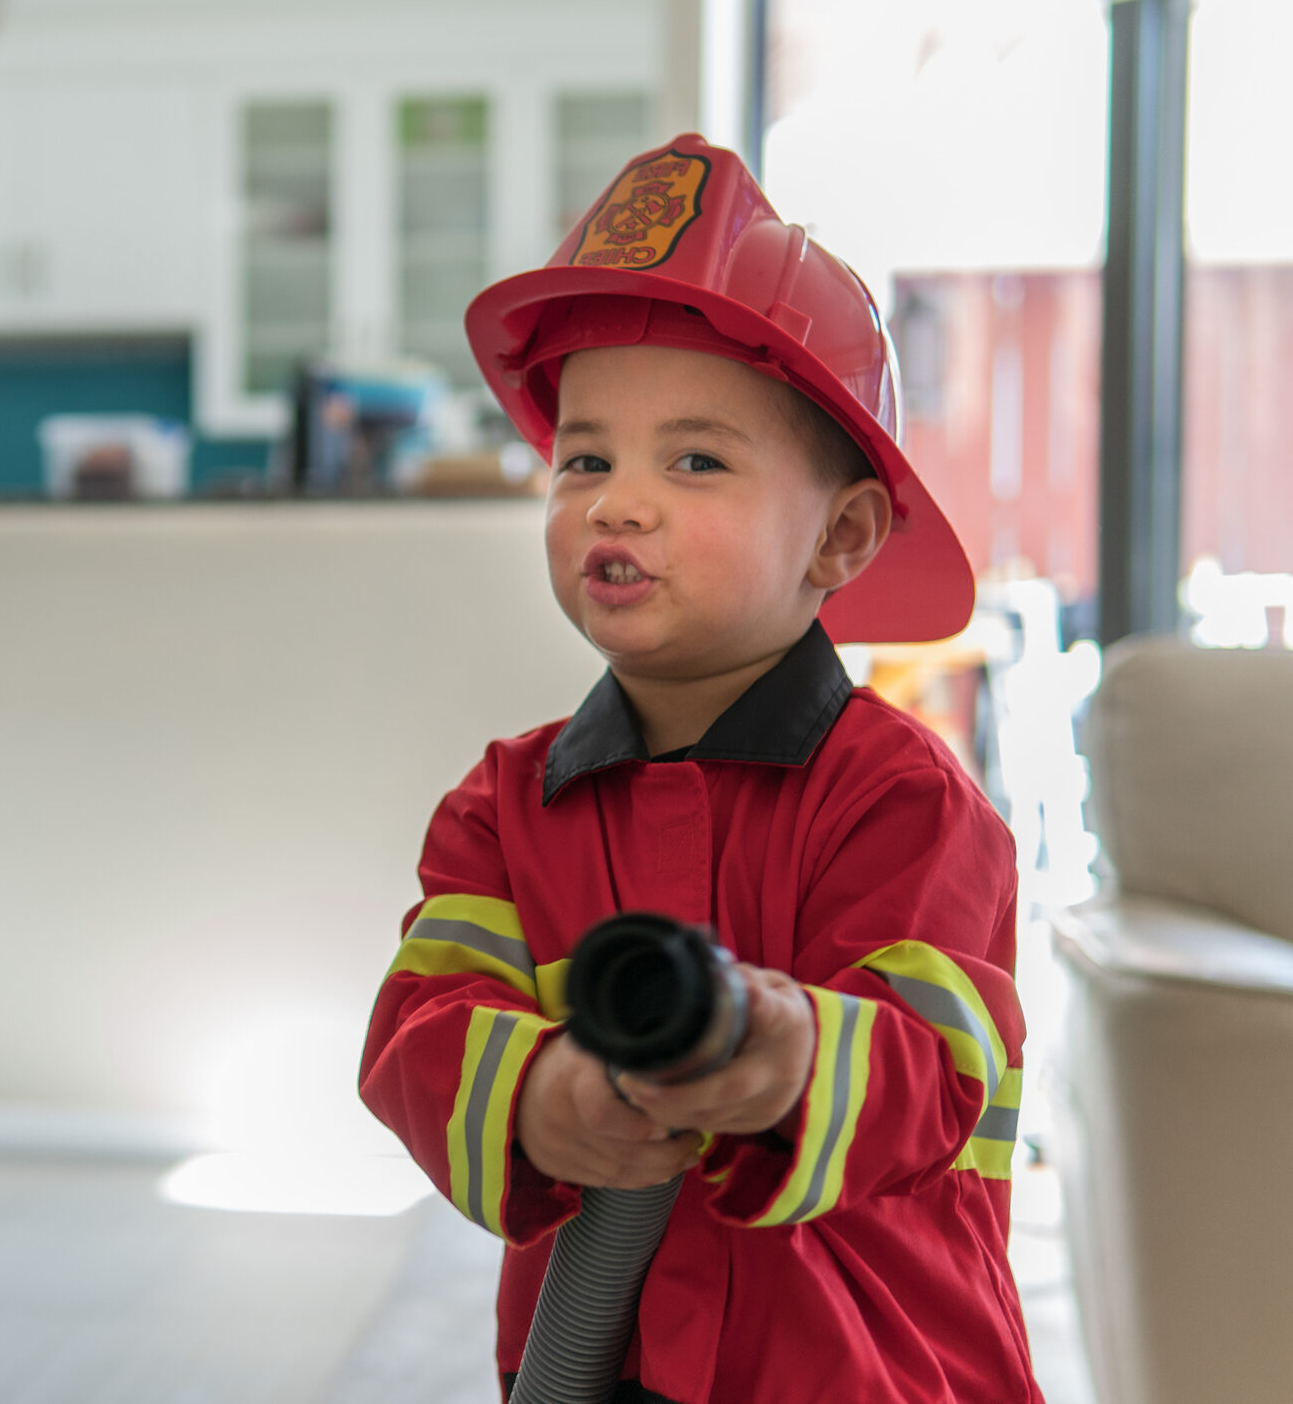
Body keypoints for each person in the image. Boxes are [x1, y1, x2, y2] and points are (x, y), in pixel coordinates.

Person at [357, 134, 1042, 1404]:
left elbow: (935, 1064)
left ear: (840, 534)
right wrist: (540, 1094)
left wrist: (785, 1053)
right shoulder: (505, 808)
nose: (617, 503)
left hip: (864, 1370)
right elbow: (416, 1034)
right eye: (585, 459)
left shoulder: (907, 803)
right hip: (594, 1366)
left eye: (696, 460)